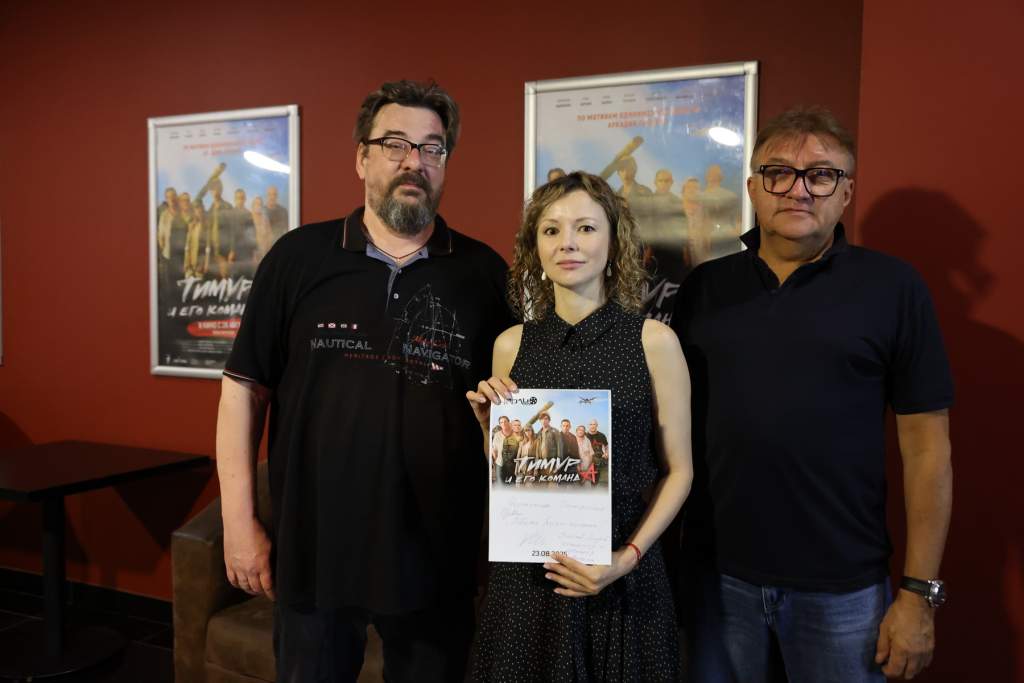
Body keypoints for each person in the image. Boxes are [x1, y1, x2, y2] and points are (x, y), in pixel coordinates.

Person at [215, 79, 511, 682]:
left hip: (436, 559)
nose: (414, 161)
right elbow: (243, 392)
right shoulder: (298, 257)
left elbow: (510, 416)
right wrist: (239, 524)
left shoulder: (484, 274)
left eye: (432, 148)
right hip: (314, 550)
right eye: (395, 144)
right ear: (361, 157)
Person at [673, 106, 953, 682]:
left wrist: (919, 593)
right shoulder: (704, 288)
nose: (798, 189)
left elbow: (928, 452)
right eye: (778, 172)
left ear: (846, 192)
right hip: (718, 580)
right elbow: (663, 426)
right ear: (753, 187)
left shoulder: (894, 288)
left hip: (843, 589)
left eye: (821, 175)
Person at [467, 171, 693, 681]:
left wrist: (626, 558)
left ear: (614, 244)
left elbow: (680, 470)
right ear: (535, 248)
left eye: (586, 228)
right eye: (551, 230)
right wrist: (489, 430)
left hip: (622, 575)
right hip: (528, 581)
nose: (567, 242)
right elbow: (514, 477)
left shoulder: (653, 342)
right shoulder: (510, 345)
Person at [586, 418, 610, 484]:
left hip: (599, 459)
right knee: (585, 479)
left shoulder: (602, 435)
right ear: (589, 426)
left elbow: (606, 446)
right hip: (587, 459)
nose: (592, 426)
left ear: (597, 425)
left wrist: (606, 453)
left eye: (594, 424)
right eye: (591, 424)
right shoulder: (585, 435)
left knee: (595, 480)